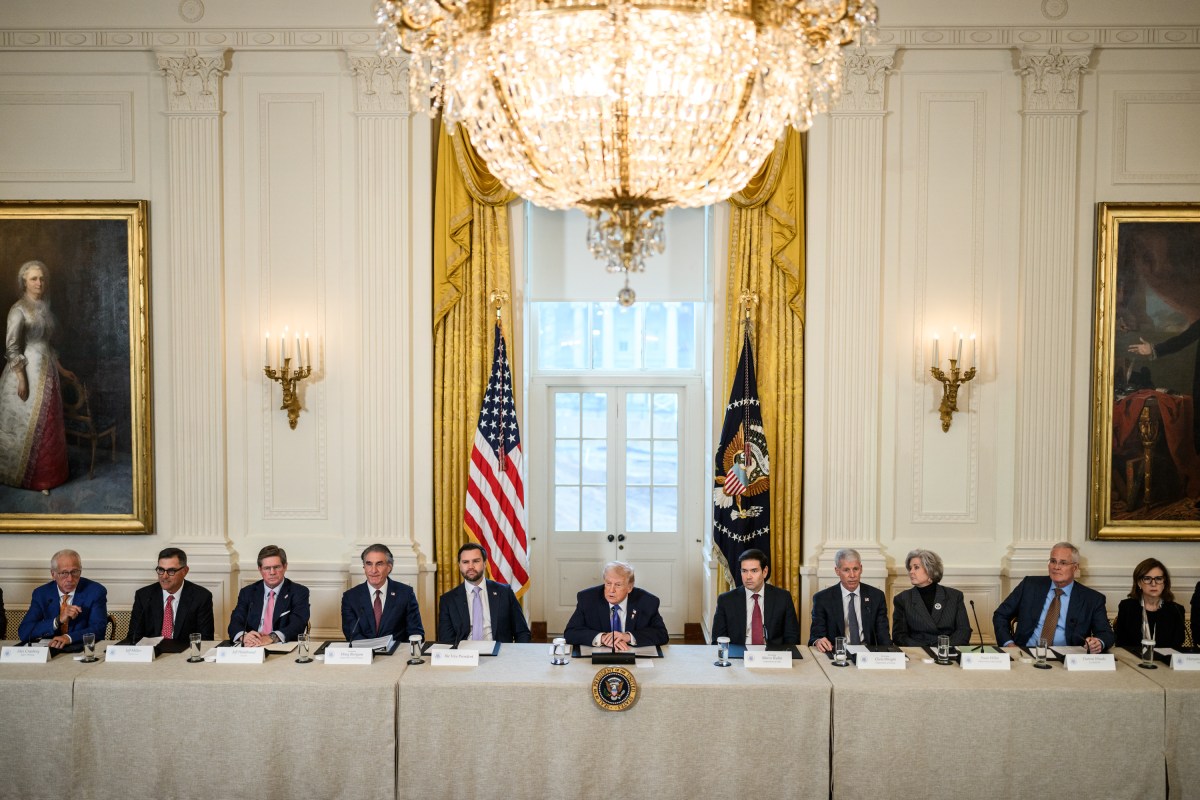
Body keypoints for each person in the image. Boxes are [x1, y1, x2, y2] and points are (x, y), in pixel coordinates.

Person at [0, 260, 73, 491]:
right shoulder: (18, 308)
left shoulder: (44, 308)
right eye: (33, 279)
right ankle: (29, 478)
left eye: (41, 278)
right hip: (28, 370)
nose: (39, 282)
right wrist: (22, 378)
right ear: (24, 282)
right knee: (28, 423)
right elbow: (12, 347)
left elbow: (47, 345)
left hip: (48, 370)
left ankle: (49, 477)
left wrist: (61, 369)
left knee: (49, 422)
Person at [992, 542, 1114, 653]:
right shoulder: (1029, 585)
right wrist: (1009, 644)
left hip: (1069, 657)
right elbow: (1000, 615)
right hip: (1026, 653)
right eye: (1053, 561)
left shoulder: (1092, 599)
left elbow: (1106, 633)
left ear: (1075, 568)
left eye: (1063, 563)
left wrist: (1099, 643)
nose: (1056, 567)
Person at [437, 541, 531, 644]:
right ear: (459, 565)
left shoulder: (505, 593)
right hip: (464, 656)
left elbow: (522, 632)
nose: (470, 566)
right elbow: (446, 641)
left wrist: (517, 657)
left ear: (485, 563)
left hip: (499, 654)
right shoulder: (448, 600)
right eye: (465, 562)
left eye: (476, 561)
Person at [564, 561, 669, 650]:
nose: (611, 590)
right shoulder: (587, 599)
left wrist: (627, 637)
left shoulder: (647, 602)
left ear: (629, 587)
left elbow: (661, 634)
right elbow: (570, 633)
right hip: (598, 658)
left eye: (618, 585)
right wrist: (603, 638)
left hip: (631, 656)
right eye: (608, 583)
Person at [17, 549, 107, 649]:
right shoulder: (41, 594)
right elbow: (24, 632)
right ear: (53, 574)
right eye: (64, 573)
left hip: (81, 650)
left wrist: (69, 637)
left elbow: (99, 630)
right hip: (50, 651)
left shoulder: (95, 591)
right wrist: (57, 620)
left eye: (75, 572)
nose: (70, 579)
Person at [711, 548, 800, 646]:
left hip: (772, 656)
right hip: (739, 655)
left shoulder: (783, 598)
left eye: (754, 571)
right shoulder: (726, 600)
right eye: (744, 571)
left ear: (765, 572)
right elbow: (718, 640)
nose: (748, 576)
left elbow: (792, 637)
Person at [809, 548, 891, 651]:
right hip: (837, 654)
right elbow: (816, 635)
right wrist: (818, 640)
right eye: (846, 570)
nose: (852, 575)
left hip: (868, 654)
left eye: (855, 569)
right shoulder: (822, 599)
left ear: (861, 569)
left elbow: (883, 635)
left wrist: (890, 655)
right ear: (837, 571)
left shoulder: (876, 596)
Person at [126, 547, 215, 643]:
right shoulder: (144, 596)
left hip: (184, 654)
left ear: (185, 571)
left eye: (171, 571)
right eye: (161, 570)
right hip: (152, 653)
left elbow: (206, 640)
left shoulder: (201, 597)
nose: (164, 576)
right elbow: (134, 636)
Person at [228, 545, 311, 646]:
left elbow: (298, 625)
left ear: (285, 566)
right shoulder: (248, 592)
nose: (272, 572)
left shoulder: (299, 592)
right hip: (252, 647)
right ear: (260, 569)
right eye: (267, 568)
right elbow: (235, 621)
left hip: (282, 645)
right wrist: (243, 636)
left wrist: (271, 637)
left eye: (276, 567)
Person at [341, 543, 423, 642]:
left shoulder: (405, 594)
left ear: (389, 567)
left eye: (379, 564)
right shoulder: (350, 597)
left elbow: (415, 633)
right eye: (369, 564)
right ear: (364, 567)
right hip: (364, 654)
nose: (373, 570)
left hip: (396, 654)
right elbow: (352, 635)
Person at [891, 548, 972, 646]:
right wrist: (925, 650)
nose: (911, 572)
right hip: (918, 654)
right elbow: (899, 636)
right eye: (910, 568)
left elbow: (963, 631)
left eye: (916, 567)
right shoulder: (902, 599)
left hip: (949, 652)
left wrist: (944, 649)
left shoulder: (954, 596)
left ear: (930, 569)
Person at [1113, 558, 1186, 651]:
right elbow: (1121, 643)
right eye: (1147, 579)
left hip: (1166, 662)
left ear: (1164, 583)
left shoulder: (1176, 610)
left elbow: (1177, 645)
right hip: (1133, 661)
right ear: (1139, 582)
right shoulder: (1126, 607)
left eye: (1158, 579)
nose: (1153, 583)